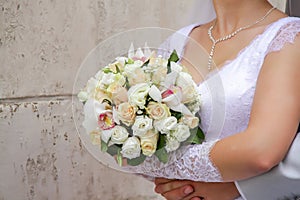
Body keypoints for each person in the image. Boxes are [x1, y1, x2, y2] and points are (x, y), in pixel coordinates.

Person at [124, 0, 300, 199]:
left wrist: (168, 166)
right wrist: (174, 185)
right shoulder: (181, 40)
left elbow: (261, 152)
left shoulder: (288, 37)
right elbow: (131, 143)